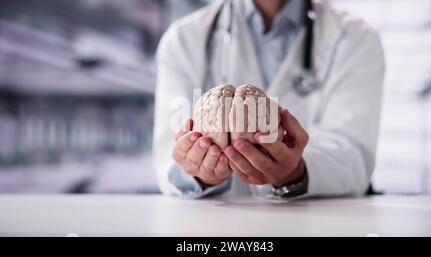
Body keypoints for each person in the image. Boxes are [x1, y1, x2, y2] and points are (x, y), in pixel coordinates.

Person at [153, 0, 385, 199]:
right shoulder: (183, 40)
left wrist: (295, 173)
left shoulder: (354, 38)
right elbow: (169, 155)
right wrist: (198, 172)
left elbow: (353, 156)